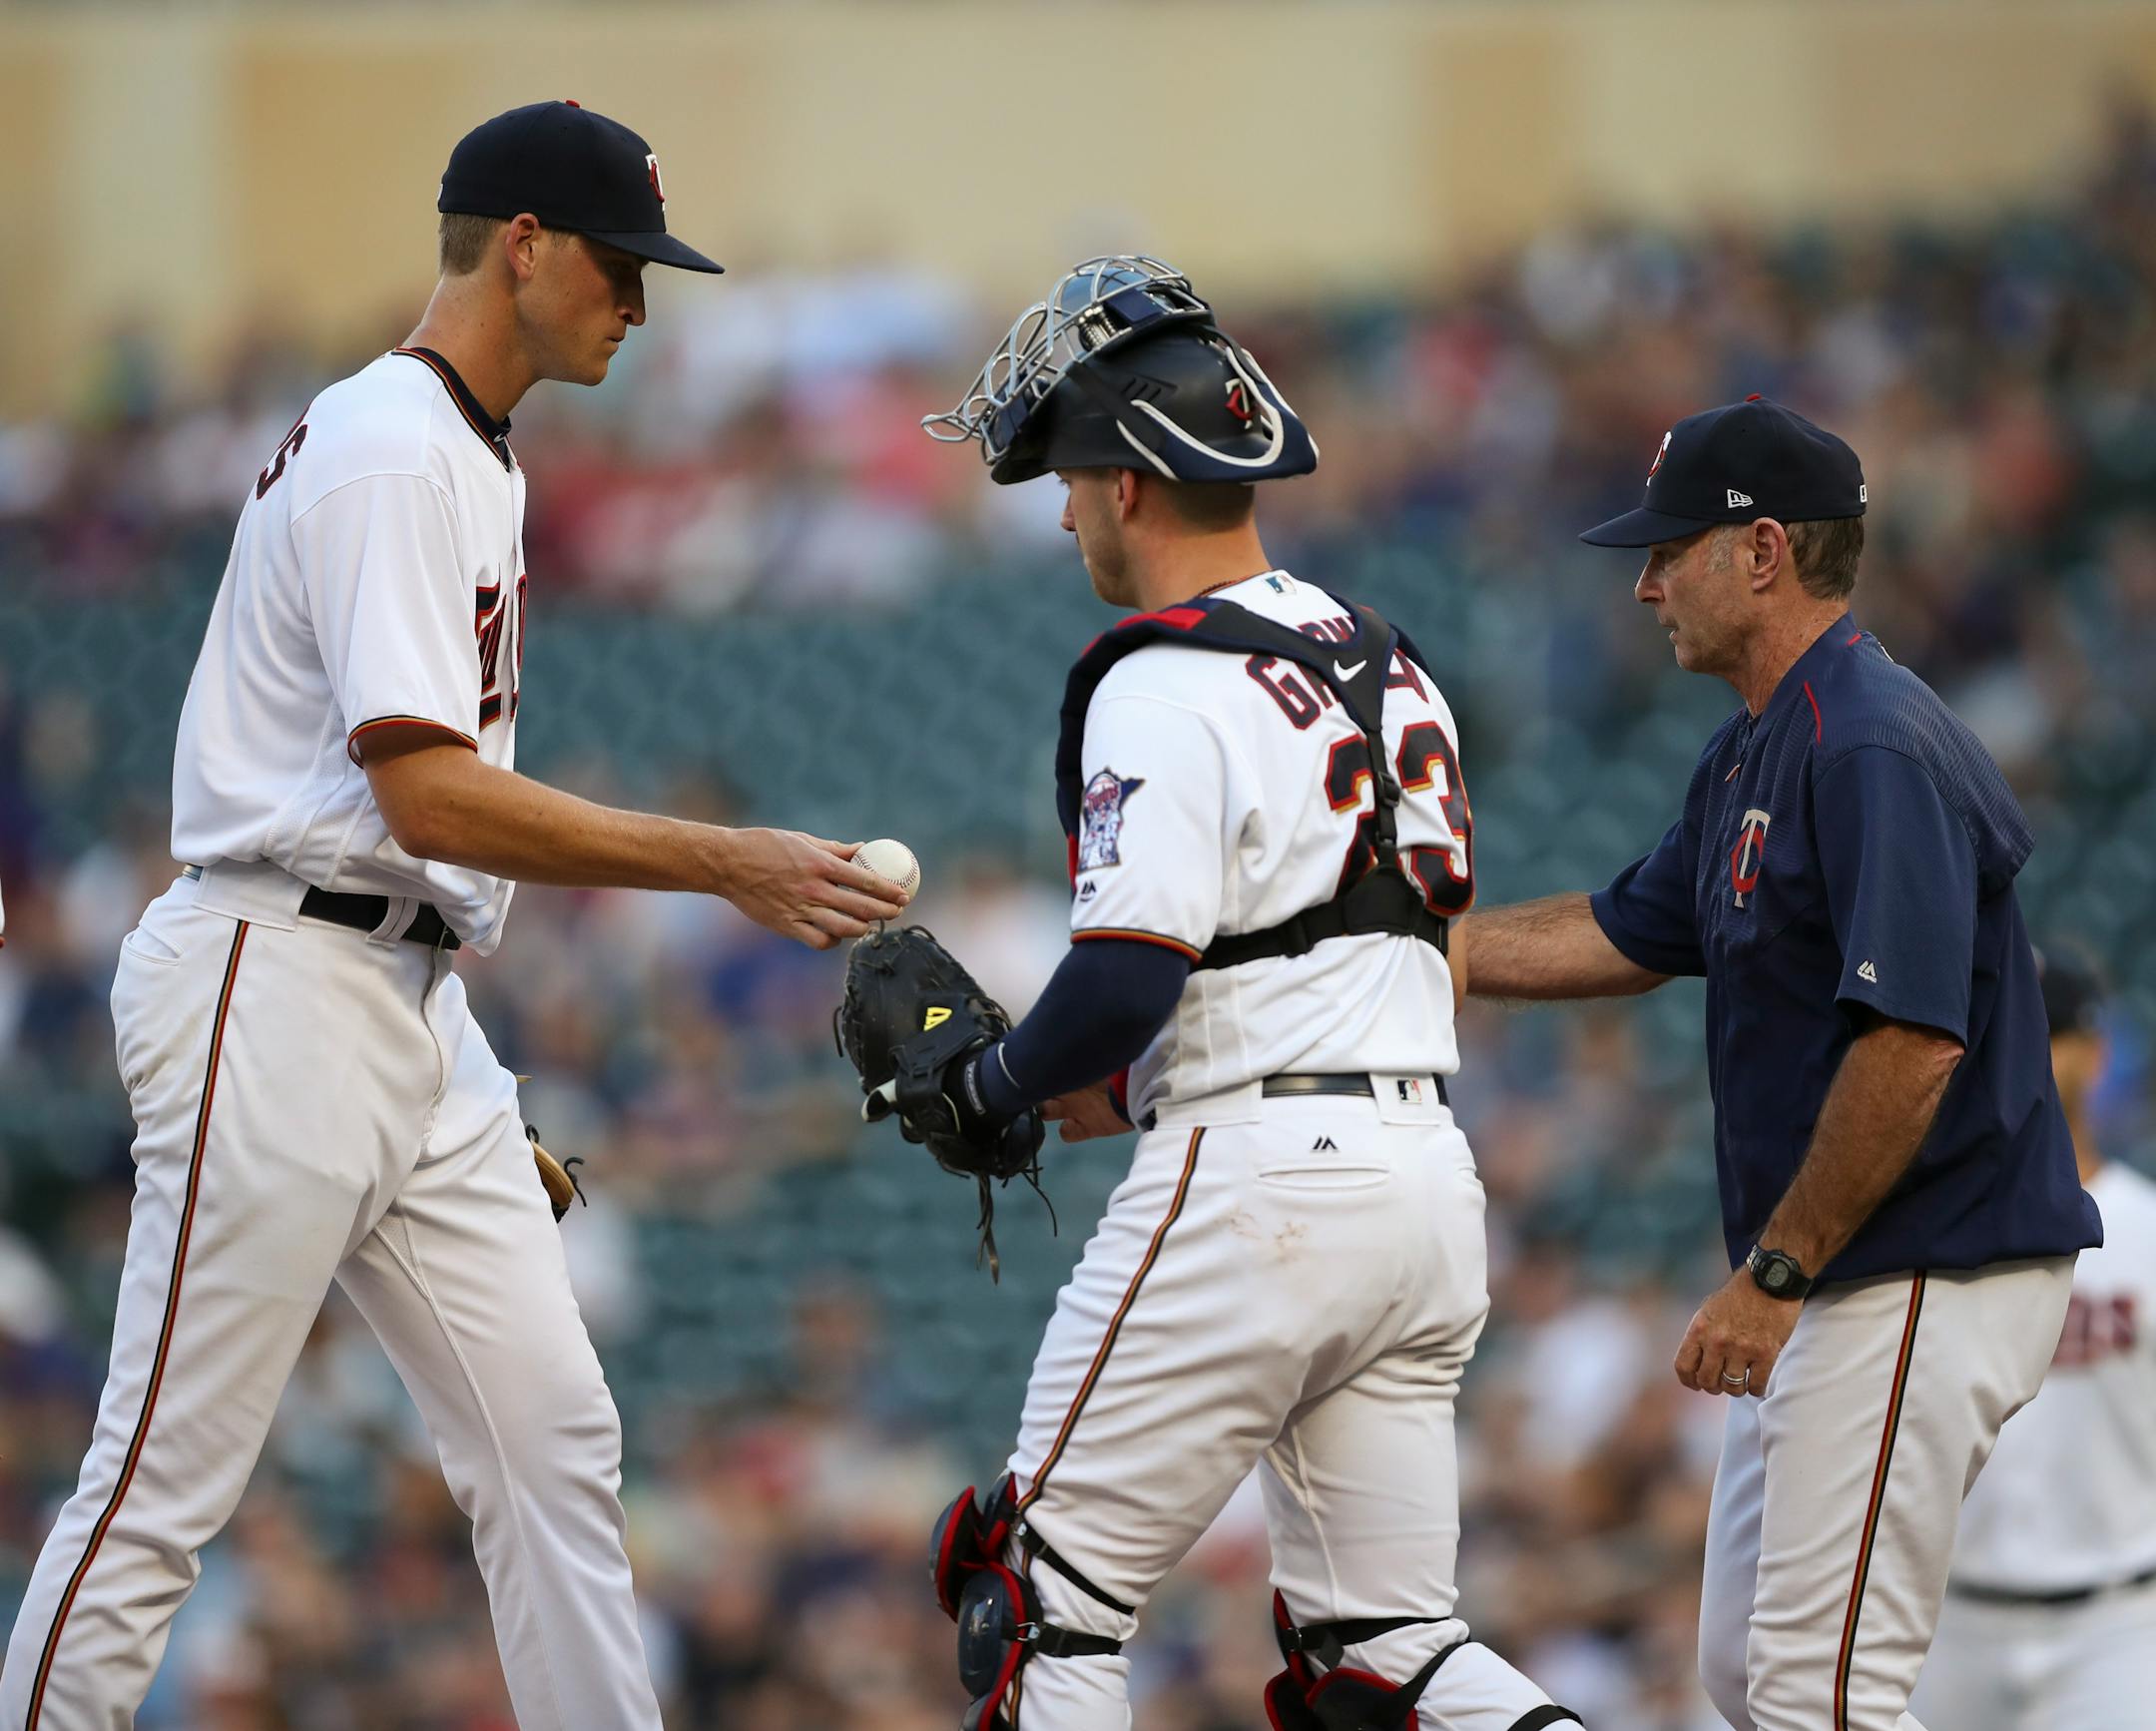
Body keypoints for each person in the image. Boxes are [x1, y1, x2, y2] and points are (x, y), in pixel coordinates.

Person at [0, 101, 905, 1730]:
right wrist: (731, 859)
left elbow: (420, 825)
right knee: (159, 1485)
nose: (641, 302)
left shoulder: (463, 447)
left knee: (554, 1437)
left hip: (401, 1004)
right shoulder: (393, 442)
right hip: (271, 976)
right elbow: (423, 793)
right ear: (526, 245)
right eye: (622, 267)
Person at [909, 258, 1578, 1731]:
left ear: (1133, 480)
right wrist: (1119, 1072)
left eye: (1072, 479)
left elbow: (1131, 969)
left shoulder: (1160, 673)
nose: (1068, 509)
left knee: (1039, 1600)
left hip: (1259, 1182)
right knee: (1389, 1646)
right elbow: (1390, 943)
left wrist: (1001, 1082)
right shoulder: (1396, 663)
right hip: (1422, 1182)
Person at [1456, 396, 2102, 1731]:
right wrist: (1432, 943)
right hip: (1858, 1265)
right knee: (1751, 1675)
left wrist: (1779, 1269)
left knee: (1820, 1690)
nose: (1642, 583)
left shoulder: (1866, 739)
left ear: (1760, 552)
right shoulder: (1766, 734)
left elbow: (1915, 1040)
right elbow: (1629, 928)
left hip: (1923, 1254)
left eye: (1669, 548)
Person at [1908, 947, 2156, 1728]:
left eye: (2046, 1034)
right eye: (2005, 1035)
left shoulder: (2146, 1227)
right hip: (1946, 1618)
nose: (2024, 1057)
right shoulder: (1925, 1231)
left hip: (2119, 1624)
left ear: (2098, 1052)